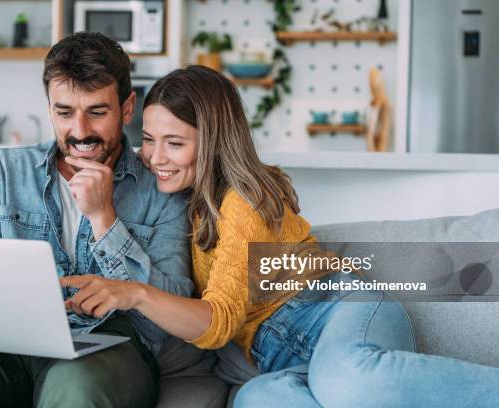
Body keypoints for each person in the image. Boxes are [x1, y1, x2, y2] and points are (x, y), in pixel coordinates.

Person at [62, 65, 499, 408]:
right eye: (150, 139)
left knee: (349, 383)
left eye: (175, 144)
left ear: (213, 142)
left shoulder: (245, 201)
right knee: (258, 400)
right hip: (281, 360)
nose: (156, 157)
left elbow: (217, 322)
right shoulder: (184, 202)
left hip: (335, 312)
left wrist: (135, 294)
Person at [0, 32, 193, 408]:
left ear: (127, 108)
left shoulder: (160, 184)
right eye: (64, 113)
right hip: (4, 351)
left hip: (108, 351)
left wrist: (105, 219)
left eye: (97, 112)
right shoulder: (4, 171)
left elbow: (172, 311)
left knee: (76, 386)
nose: (80, 131)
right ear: (49, 109)